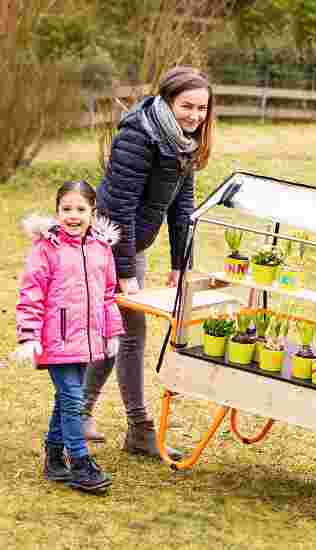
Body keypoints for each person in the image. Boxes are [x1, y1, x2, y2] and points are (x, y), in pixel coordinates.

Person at [81, 65, 215, 459]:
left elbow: (182, 204)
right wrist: (125, 274)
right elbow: (118, 208)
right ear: (167, 101)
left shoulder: (184, 141)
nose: (194, 116)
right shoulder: (138, 134)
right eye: (186, 106)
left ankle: (80, 413)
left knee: (118, 331)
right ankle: (139, 429)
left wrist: (180, 261)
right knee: (130, 331)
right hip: (106, 245)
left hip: (132, 244)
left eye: (202, 108)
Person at [13, 180, 124, 492]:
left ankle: (53, 454)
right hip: (55, 339)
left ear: (93, 212)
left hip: (86, 339)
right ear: (57, 211)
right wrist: (29, 335)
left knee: (67, 397)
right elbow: (31, 294)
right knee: (75, 398)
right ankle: (79, 461)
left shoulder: (101, 249)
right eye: (66, 209)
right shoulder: (46, 250)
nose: (73, 216)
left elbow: (107, 294)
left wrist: (111, 330)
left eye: (80, 209)